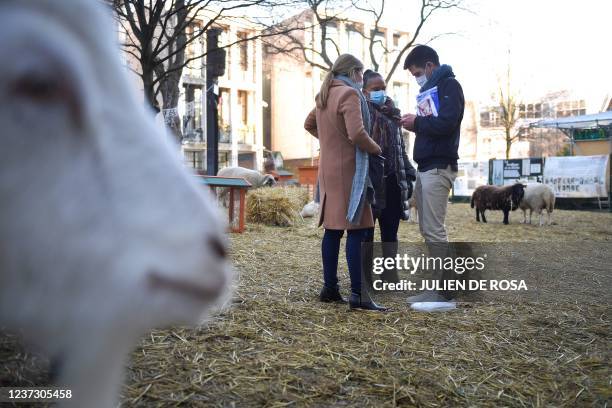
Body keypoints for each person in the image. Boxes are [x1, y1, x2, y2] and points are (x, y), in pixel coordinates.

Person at [304, 54, 387, 311]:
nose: (363, 80)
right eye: (361, 74)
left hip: (329, 171)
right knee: (358, 229)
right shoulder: (349, 95)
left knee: (332, 230)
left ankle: (330, 289)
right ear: (353, 73)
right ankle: (358, 294)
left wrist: (329, 142)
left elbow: (309, 124)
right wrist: (376, 149)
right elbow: (357, 133)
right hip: (351, 171)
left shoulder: (324, 94)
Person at [400, 45, 465, 305]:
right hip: (426, 166)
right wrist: (416, 124)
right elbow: (434, 125)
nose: (417, 77)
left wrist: (417, 123)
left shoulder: (450, 86)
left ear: (429, 66)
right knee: (427, 229)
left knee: (435, 230)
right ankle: (436, 287)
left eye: (417, 72)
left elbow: (448, 123)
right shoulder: (431, 91)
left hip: (439, 166)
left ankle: (446, 290)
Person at [361, 70, 416, 282]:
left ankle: (390, 276)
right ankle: (364, 277)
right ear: (364, 92)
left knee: (390, 233)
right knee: (366, 232)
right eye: (376, 89)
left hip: (393, 181)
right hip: (372, 181)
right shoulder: (361, 112)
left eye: (383, 88)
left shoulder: (394, 115)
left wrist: (409, 172)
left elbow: (399, 148)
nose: (381, 92)